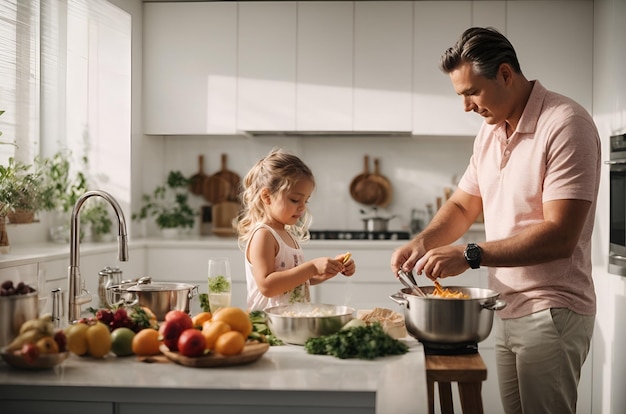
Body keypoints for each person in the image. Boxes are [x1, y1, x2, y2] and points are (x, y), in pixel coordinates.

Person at [390, 27, 600, 414]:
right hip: (505, 307)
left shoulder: (566, 123)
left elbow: (561, 235)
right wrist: (424, 243)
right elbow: (461, 207)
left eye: (472, 92)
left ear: (505, 74)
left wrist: (470, 254)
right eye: (461, 95)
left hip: (551, 308)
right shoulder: (489, 133)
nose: (466, 106)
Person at [237, 149, 356, 311]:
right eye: (294, 200)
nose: (302, 207)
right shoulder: (263, 235)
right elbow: (267, 286)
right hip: (267, 325)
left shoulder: (287, 234)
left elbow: (294, 281)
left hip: (291, 322)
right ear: (266, 196)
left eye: (306, 201)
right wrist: (312, 267)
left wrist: (324, 272)